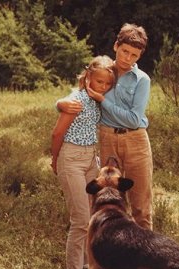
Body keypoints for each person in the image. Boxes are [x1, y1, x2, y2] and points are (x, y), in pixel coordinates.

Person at [57, 23, 153, 230]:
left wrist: (103, 100)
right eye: (125, 51)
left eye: (134, 55)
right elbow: (80, 91)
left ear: (140, 56)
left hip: (136, 140)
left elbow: (134, 119)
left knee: (140, 206)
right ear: (116, 46)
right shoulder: (104, 72)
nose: (128, 58)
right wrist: (59, 103)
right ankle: (106, 253)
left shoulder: (142, 80)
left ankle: (143, 258)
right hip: (108, 137)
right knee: (103, 202)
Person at [51, 55, 115, 269]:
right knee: (80, 219)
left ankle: (89, 266)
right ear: (88, 77)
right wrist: (56, 160)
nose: (102, 87)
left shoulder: (98, 100)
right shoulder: (75, 101)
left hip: (91, 160)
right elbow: (57, 134)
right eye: (99, 81)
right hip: (72, 159)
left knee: (93, 217)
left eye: (107, 83)